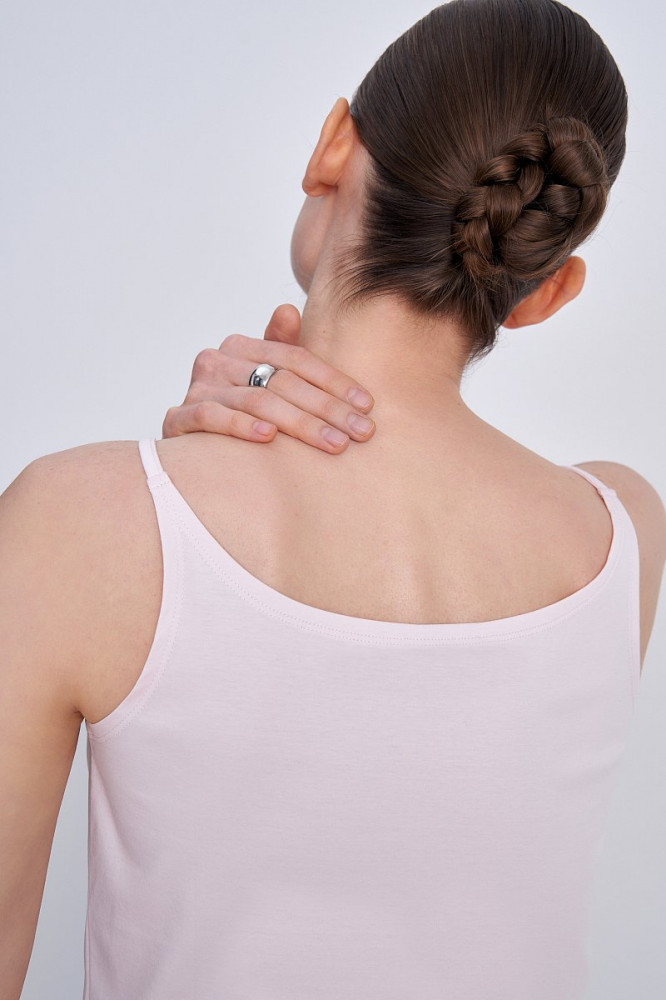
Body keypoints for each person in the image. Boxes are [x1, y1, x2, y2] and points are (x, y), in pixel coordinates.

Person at [1, 1, 664, 997]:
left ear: (332, 145)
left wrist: (158, 489)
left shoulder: (79, 527)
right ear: (547, 289)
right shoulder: (624, 534)